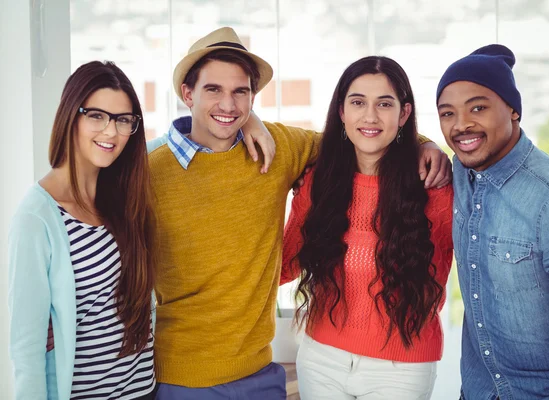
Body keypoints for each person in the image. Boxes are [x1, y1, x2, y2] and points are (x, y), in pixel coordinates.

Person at [147, 27, 452, 399]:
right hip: (186, 371)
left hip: (264, 370)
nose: (228, 105)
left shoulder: (279, 147)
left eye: (240, 92)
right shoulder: (148, 172)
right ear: (187, 93)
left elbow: (363, 137)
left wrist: (426, 144)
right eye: (214, 90)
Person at [280, 56, 453, 400]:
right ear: (342, 112)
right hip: (320, 358)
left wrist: (431, 146)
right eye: (358, 102)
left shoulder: (434, 186)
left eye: (384, 104)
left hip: (401, 368)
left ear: (403, 114)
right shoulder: (319, 181)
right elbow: (286, 266)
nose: (370, 116)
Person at [436, 44, 549, 400]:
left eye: (478, 107)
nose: (461, 124)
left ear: (513, 111)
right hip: (479, 391)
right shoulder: (464, 173)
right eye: (447, 113)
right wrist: (424, 147)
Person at [8, 61, 158, 399]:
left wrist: (248, 122)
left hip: (143, 390)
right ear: (70, 116)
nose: (111, 132)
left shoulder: (124, 197)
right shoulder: (37, 217)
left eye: (123, 120)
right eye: (97, 115)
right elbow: (26, 350)